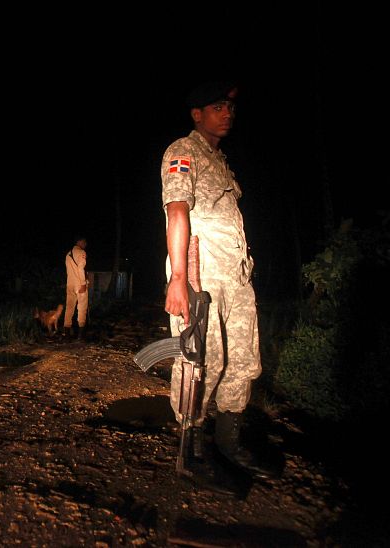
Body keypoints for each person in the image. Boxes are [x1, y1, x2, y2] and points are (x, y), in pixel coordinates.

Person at [162, 81, 272, 478]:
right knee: (199, 362)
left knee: (242, 359)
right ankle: (191, 452)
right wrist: (178, 279)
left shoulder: (220, 161)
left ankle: (229, 442)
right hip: (201, 274)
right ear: (197, 114)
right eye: (217, 107)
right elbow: (177, 213)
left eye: (229, 107)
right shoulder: (182, 151)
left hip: (235, 276)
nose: (227, 113)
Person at [63, 236, 89, 339]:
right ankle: (80, 335)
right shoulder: (81, 252)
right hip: (79, 284)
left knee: (69, 308)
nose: (85, 244)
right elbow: (80, 269)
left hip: (70, 284)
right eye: (84, 242)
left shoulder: (68, 254)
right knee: (82, 308)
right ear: (79, 241)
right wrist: (83, 283)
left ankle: (67, 333)